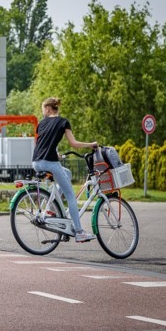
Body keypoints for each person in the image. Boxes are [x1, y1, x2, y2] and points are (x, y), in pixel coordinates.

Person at [32, 97, 97, 243]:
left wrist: (56, 155)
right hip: (49, 163)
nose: (43, 113)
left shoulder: (41, 123)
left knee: (66, 173)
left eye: (43, 110)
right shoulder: (63, 122)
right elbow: (73, 143)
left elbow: (42, 144)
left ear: (48, 109)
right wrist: (91, 144)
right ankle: (79, 232)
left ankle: (51, 208)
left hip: (36, 162)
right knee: (71, 197)